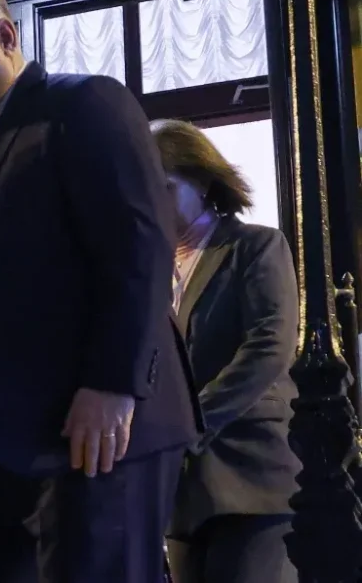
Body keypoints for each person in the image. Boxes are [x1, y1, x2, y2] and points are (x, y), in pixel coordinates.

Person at [0, 0, 204, 583]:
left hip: (93, 438)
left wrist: (112, 385)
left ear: (6, 35)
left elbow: (136, 247)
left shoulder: (82, 106)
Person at [151, 119, 300, 583]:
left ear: (201, 181)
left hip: (250, 476)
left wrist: (190, 423)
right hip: (182, 497)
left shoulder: (255, 246)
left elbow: (269, 346)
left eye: (163, 186)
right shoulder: (148, 274)